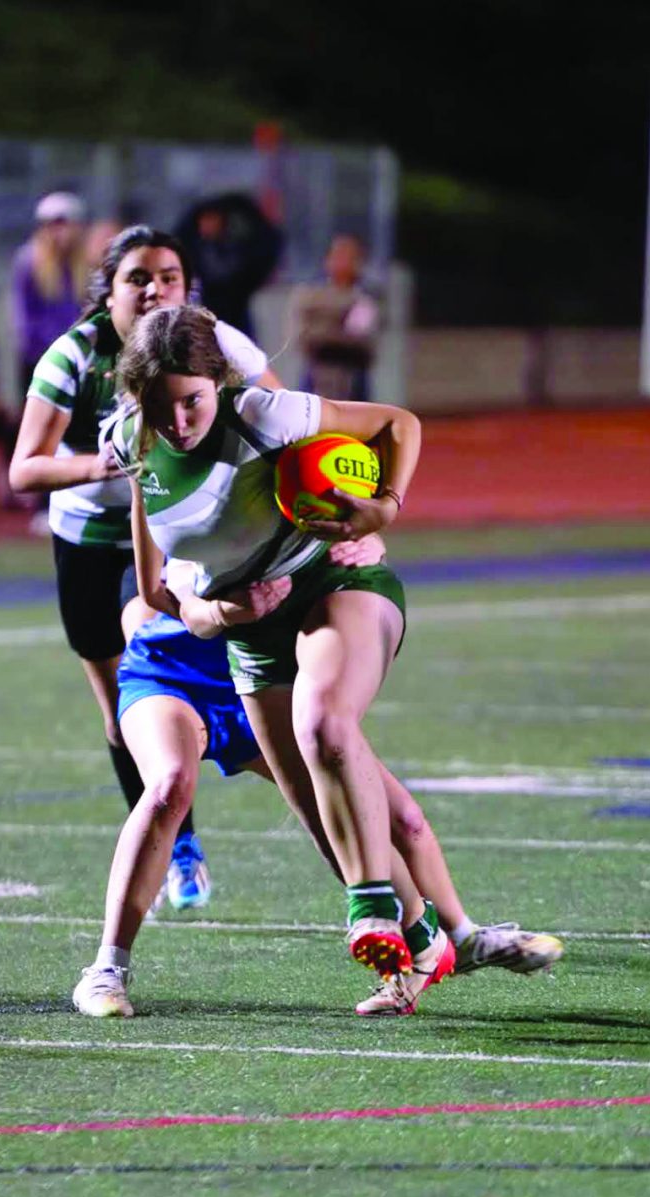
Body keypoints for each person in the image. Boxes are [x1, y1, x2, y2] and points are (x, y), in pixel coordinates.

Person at [73, 550, 564, 1017]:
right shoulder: (184, 481)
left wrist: (366, 525)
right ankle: (107, 969)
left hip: (260, 679)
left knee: (386, 817)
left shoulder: (282, 488)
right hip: (172, 674)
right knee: (169, 785)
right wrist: (219, 608)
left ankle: (454, 939)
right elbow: (156, 591)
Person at [111, 303, 422, 980]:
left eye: (192, 401)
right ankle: (429, 936)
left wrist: (381, 507)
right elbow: (161, 592)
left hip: (330, 585)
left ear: (217, 383)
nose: (179, 422)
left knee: (327, 727)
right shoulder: (133, 444)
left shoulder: (262, 415)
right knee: (314, 803)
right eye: (162, 407)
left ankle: (378, 910)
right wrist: (218, 612)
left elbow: (397, 425)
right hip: (247, 634)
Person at [9, 225, 282, 911]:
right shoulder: (74, 354)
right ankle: (180, 839)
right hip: (84, 539)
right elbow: (24, 468)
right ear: (110, 288)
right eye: (138, 276)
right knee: (115, 716)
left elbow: (278, 413)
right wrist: (99, 464)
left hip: (161, 541)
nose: (154, 288)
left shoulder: (211, 343)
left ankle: (179, 841)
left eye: (168, 275)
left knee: (146, 642)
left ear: (187, 286)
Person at [11, 192, 88, 404]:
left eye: (64, 224)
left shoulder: (86, 264)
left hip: (78, 359)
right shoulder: (28, 262)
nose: (58, 232)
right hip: (42, 359)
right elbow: (25, 319)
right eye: (52, 225)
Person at [174, 192, 284, 338]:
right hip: (207, 306)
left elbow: (267, 245)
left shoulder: (236, 248)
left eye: (213, 220)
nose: (208, 226)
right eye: (205, 220)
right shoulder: (194, 247)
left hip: (237, 308)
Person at [290, 234, 382, 403]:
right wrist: (335, 328)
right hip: (317, 373)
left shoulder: (365, 297)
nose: (343, 262)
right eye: (338, 256)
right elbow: (304, 336)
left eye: (350, 257)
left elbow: (361, 338)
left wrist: (326, 328)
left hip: (353, 375)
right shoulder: (311, 294)